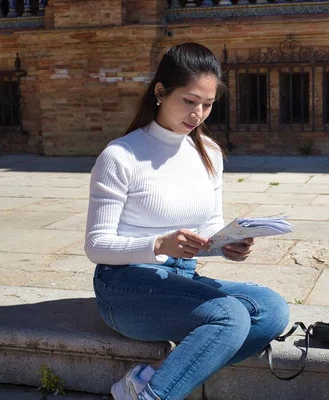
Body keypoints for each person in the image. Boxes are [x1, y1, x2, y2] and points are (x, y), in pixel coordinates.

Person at [85, 43, 290, 400]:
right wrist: (158, 245)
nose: (198, 114)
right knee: (230, 316)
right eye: (190, 101)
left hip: (182, 278)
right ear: (161, 92)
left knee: (271, 309)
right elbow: (96, 245)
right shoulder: (121, 156)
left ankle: (153, 377)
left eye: (207, 104)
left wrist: (228, 244)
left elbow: (210, 223)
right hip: (124, 285)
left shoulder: (208, 152)